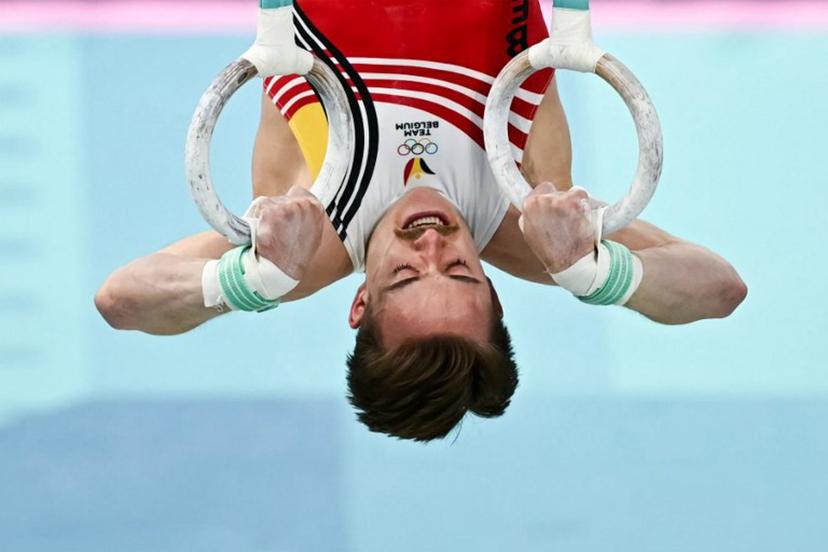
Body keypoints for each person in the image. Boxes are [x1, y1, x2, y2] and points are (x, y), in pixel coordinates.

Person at [95, 0, 747, 442]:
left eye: (406, 276)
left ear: (360, 302)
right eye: (459, 270)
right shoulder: (531, 218)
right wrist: (594, 273)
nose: (431, 242)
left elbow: (122, 300)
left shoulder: (302, 240)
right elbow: (719, 289)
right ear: (493, 293)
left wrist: (246, 282)